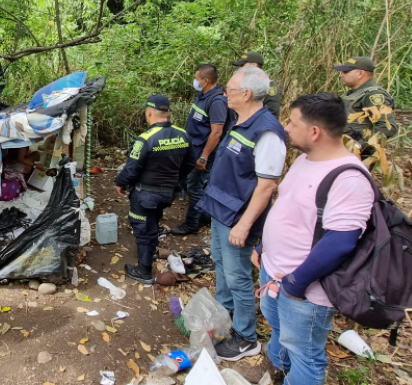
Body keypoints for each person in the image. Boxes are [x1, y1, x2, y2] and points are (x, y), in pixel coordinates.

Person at [253, 93, 373, 384]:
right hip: (275, 272)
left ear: (315, 131)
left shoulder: (348, 178)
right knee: (281, 333)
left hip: (303, 288)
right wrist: (264, 246)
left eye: (293, 123)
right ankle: (283, 373)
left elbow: (341, 241)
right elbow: (291, 208)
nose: (287, 128)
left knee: (305, 352)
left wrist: (297, 281)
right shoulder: (306, 160)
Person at [196, 67, 287, 361]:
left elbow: (266, 186)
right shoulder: (241, 121)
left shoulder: (267, 131)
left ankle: (246, 337)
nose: (226, 94)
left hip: (238, 218)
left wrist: (244, 225)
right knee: (222, 265)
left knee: (238, 277)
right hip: (221, 209)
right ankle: (224, 315)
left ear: (246, 94)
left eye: (231, 90)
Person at [114, 95, 194, 284]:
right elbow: (190, 162)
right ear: (166, 112)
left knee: (142, 228)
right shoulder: (182, 134)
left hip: (145, 195)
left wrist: (120, 183)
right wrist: (174, 178)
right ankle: (150, 251)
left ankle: (143, 270)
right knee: (153, 221)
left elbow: (131, 169)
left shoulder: (145, 139)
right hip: (167, 193)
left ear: (149, 112)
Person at [170, 64, 229, 236]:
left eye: (197, 79)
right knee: (193, 185)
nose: (195, 81)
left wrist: (203, 157)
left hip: (203, 153)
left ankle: (192, 223)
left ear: (206, 80)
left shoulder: (217, 101)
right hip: (192, 149)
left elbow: (216, 132)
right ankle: (203, 214)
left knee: (195, 188)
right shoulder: (203, 95)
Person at [333, 56, 398, 139]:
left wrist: (360, 144)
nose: (341, 75)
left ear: (360, 74)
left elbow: (388, 128)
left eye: (345, 72)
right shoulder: (351, 94)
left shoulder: (373, 95)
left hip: (359, 150)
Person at [232, 52, 282, 119]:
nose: (240, 69)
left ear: (254, 65)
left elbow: (272, 116)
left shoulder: (269, 87)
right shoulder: (244, 85)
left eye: (242, 66)